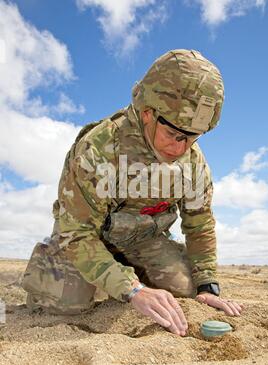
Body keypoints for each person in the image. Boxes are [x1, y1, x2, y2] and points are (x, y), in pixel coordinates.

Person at [22, 49, 243, 337]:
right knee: (64, 303)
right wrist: (132, 289)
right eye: (174, 135)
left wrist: (207, 285)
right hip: (88, 238)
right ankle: (54, 262)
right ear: (147, 112)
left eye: (192, 137)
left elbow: (199, 223)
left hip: (144, 241)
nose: (181, 149)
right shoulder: (99, 149)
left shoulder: (192, 162)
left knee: (186, 289)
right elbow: (76, 232)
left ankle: (125, 272)